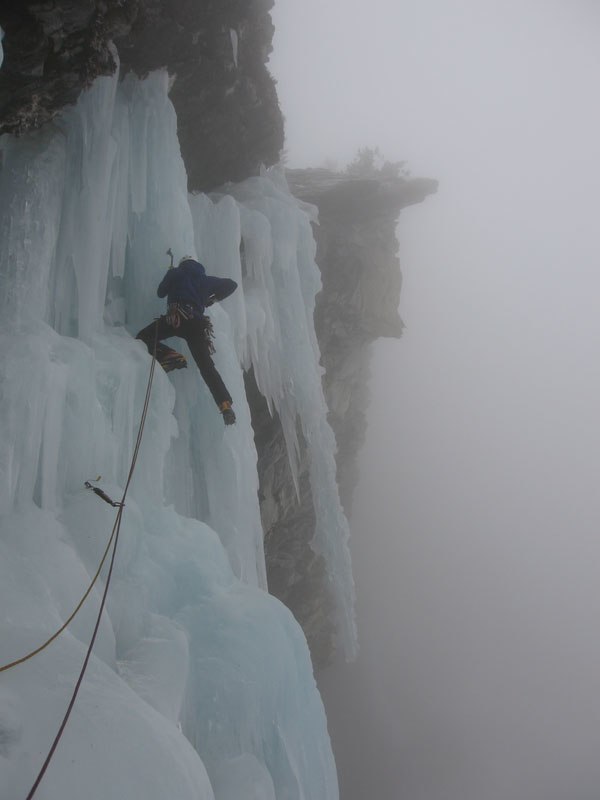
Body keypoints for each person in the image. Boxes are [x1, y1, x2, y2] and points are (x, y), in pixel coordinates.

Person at [136, 256, 237, 425]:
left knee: (143, 337)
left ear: (182, 264)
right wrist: (211, 300)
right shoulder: (204, 280)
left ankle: (169, 356)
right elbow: (231, 285)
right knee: (206, 366)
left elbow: (161, 292)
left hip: (176, 319)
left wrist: (169, 274)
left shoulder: (176, 273)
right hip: (196, 324)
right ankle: (225, 405)